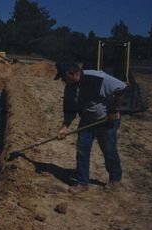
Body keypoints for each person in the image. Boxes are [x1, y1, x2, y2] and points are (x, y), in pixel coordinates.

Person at [54, 62, 130, 194]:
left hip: (106, 122)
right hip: (86, 122)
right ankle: (82, 183)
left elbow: (124, 88)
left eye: (64, 77)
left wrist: (114, 108)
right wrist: (65, 126)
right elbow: (69, 109)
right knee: (82, 151)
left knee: (109, 150)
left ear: (72, 73)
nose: (63, 80)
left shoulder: (96, 78)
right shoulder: (70, 87)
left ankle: (115, 179)